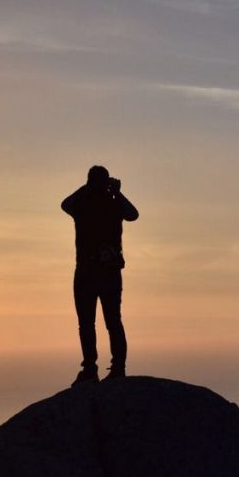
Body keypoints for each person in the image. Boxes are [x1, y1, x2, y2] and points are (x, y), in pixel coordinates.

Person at [62, 165, 139, 386]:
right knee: (110, 321)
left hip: (91, 271)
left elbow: (65, 204)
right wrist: (116, 192)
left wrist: (95, 190)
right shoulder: (109, 203)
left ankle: (93, 368)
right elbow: (132, 214)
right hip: (103, 272)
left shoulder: (85, 204)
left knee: (92, 323)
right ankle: (113, 368)